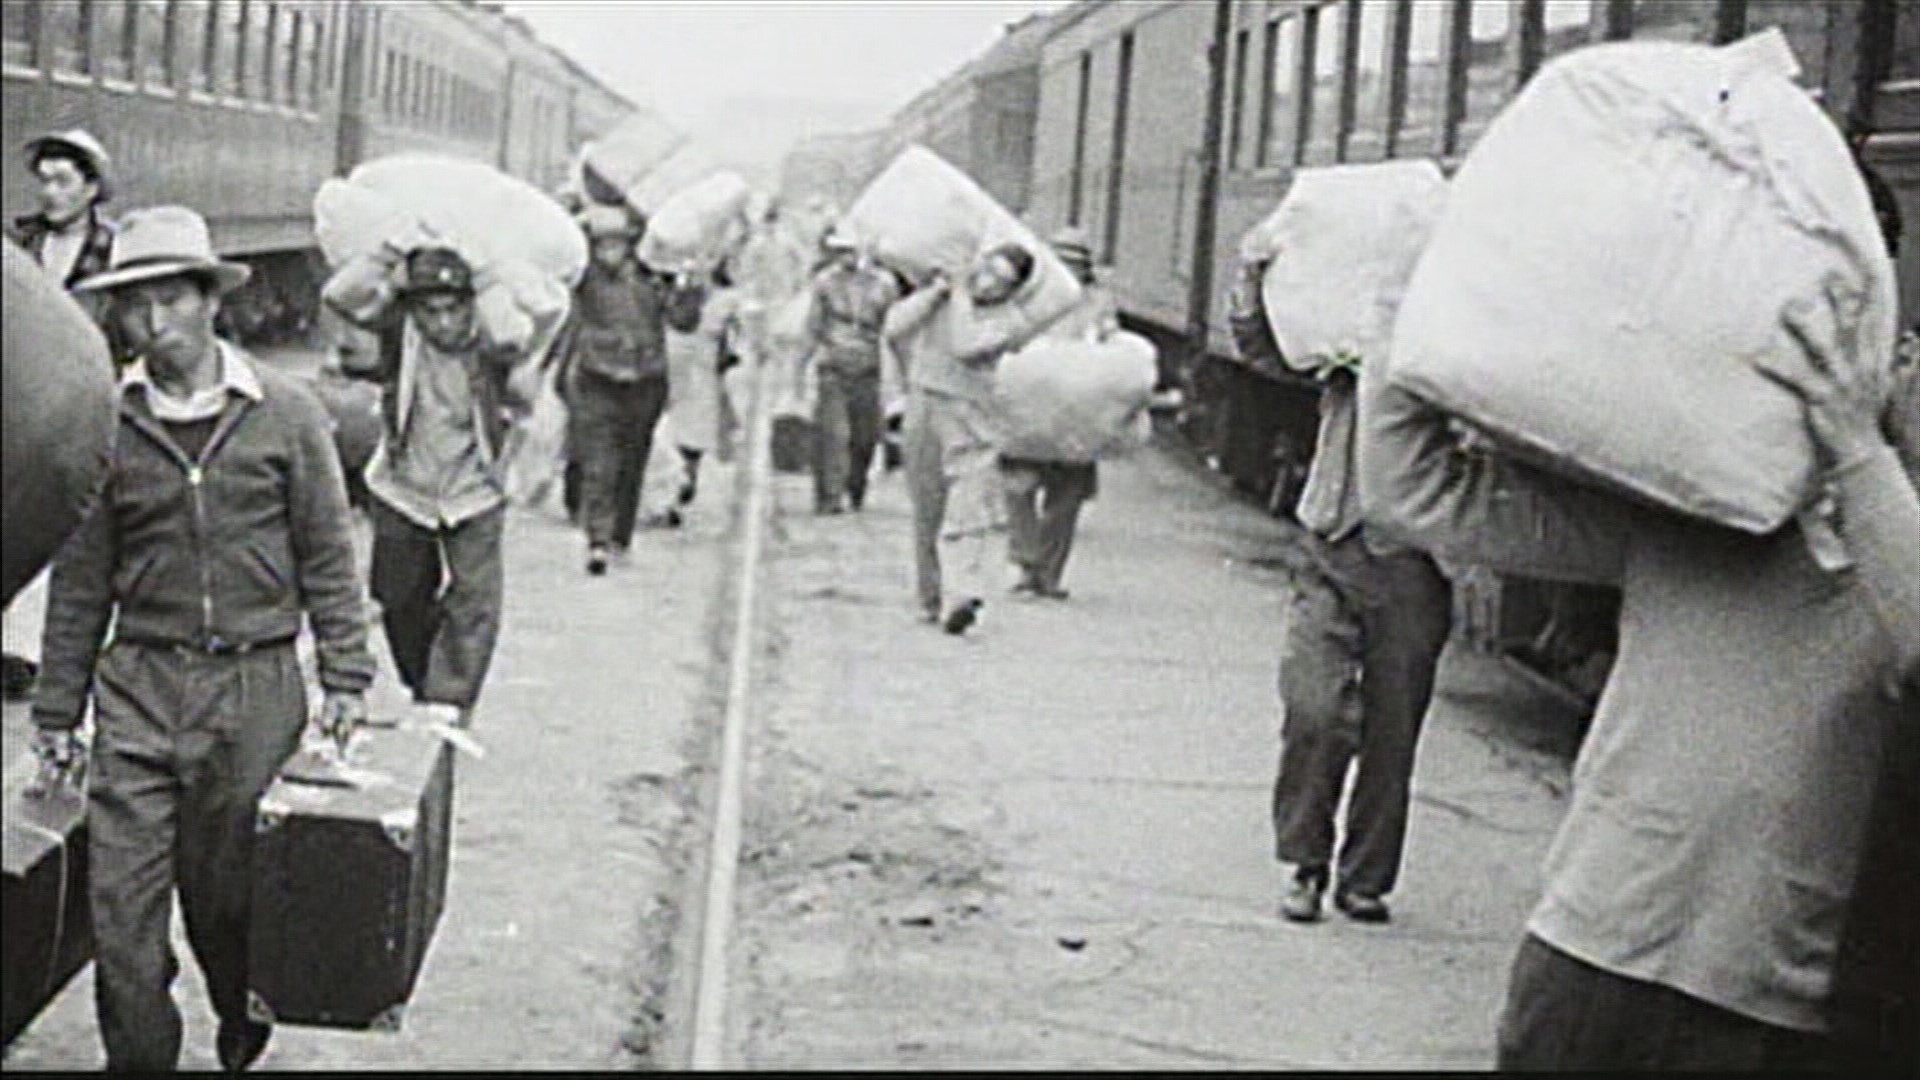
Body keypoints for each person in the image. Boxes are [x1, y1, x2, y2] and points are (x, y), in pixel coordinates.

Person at [1358, 196, 1920, 1064]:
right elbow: (1414, 493)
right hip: (1583, 965)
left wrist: (1861, 449)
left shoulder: (1896, 535)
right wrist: (1414, 301)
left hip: (1776, 1019)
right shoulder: (1683, 509)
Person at [28, 206, 375, 1072]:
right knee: (124, 916)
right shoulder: (107, 425)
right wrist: (56, 712)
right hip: (140, 687)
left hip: (254, 692)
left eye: (170, 299)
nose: (152, 322)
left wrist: (346, 678)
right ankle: (140, 1057)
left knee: (226, 901)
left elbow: (330, 554)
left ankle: (237, 1004)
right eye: (135, 304)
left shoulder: (287, 415)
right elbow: (80, 582)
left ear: (211, 301)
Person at [1238, 249, 1452, 926]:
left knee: (1393, 729)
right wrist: (1250, 281)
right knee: (1313, 712)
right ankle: (1303, 862)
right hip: (1328, 546)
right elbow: (1269, 355)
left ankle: (1364, 879)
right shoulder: (1344, 353)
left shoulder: (1452, 362)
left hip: (1414, 564)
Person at [321, 235, 550, 720]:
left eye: (454, 309)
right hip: (404, 485)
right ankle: (423, 680)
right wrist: (389, 250)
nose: (443, 323)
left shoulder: (493, 340)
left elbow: (540, 319)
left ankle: (449, 703)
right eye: (430, 311)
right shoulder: (401, 335)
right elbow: (340, 297)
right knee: (398, 595)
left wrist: (488, 277)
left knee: (474, 605)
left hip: (474, 488)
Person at [3, 129, 120, 703]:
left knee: (69, 528)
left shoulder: (114, 254)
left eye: (63, 181)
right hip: (21, 396)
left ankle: (29, 652)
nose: (50, 193)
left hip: (87, 406)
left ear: (92, 188)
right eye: (43, 180)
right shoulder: (16, 243)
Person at [884, 242, 1037, 635]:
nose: (988, 284)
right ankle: (930, 596)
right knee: (926, 508)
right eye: (987, 271)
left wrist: (960, 295)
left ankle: (962, 595)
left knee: (967, 512)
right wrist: (935, 292)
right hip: (924, 404)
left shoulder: (1013, 320)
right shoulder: (945, 297)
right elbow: (894, 327)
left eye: (1001, 281)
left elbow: (966, 344)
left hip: (971, 419)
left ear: (1012, 290)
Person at [998, 227, 1120, 600]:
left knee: (1066, 496)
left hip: (1076, 407)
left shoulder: (1098, 303)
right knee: (1018, 487)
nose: (1068, 269)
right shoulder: (1026, 296)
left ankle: (1048, 575)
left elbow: (1109, 339)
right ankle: (1027, 563)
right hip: (1030, 403)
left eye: (1076, 263)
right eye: (1061, 261)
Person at [553, 205, 671, 574]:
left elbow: (683, 317)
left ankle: (621, 535)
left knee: (633, 462)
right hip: (597, 377)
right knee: (599, 461)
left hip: (646, 379)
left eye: (616, 244)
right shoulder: (585, 279)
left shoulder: (653, 279)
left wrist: (687, 286)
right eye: (602, 244)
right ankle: (598, 540)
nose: (610, 252)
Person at [799, 230, 903, 514]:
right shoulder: (825, 283)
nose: (847, 258)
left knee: (865, 436)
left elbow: (896, 329)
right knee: (832, 433)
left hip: (869, 366)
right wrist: (799, 367)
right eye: (841, 251)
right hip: (833, 364)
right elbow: (812, 326)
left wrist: (901, 372)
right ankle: (828, 497)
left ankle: (855, 488)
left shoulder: (884, 285)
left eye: (852, 251)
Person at [663, 264, 734, 512]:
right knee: (688, 433)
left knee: (681, 433)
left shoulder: (724, 300)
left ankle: (675, 489)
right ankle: (677, 488)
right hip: (690, 370)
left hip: (689, 369)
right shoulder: (725, 300)